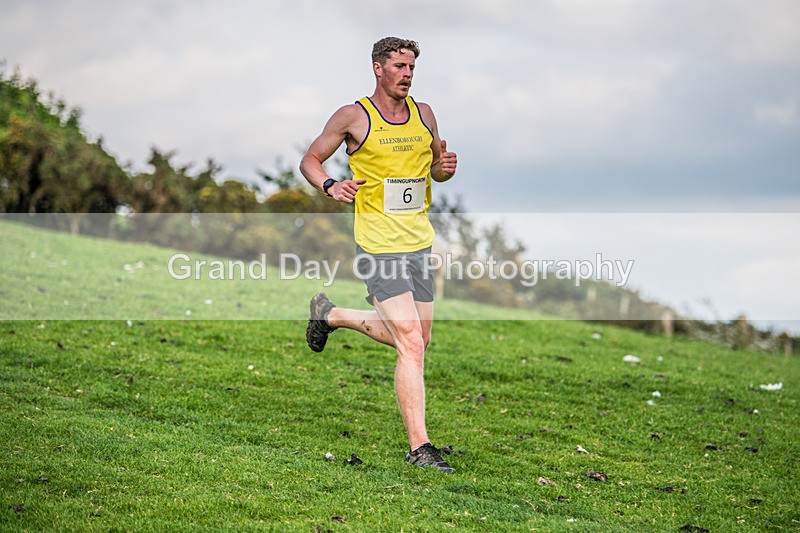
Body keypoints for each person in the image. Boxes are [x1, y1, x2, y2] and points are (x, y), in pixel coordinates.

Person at [299, 37, 458, 473]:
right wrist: (330, 185)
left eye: (412, 68)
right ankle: (420, 447)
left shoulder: (425, 114)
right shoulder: (354, 117)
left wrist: (442, 170)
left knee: (418, 339)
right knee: (410, 342)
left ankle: (331, 315)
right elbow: (310, 159)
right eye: (400, 66)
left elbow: (435, 169)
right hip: (378, 244)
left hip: (418, 242)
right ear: (378, 68)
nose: (407, 74)